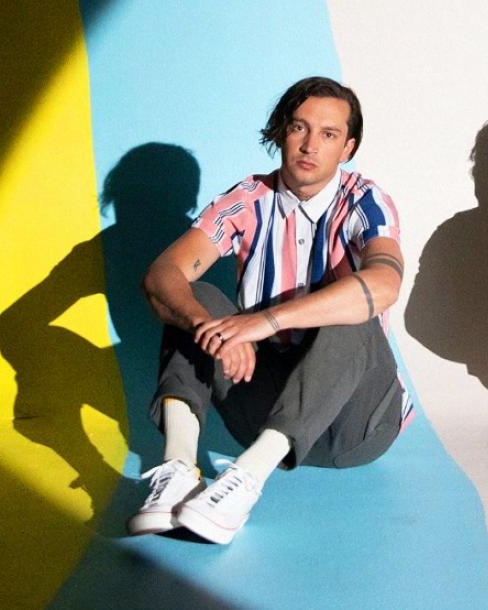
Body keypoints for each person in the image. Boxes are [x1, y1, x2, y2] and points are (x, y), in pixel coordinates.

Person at [128, 76, 409, 543]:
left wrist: (262, 322)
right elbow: (161, 275)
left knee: (349, 309)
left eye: (328, 134)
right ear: (281, 132)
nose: (310, 145)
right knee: (193, 299)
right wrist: (207, 326)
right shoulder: (246, 199)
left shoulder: (365, 200)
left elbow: (384, 284)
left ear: (348, 148)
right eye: (299, 128)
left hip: (355, 428)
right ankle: (178, 469)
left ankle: (245, 481)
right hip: (261, 411)